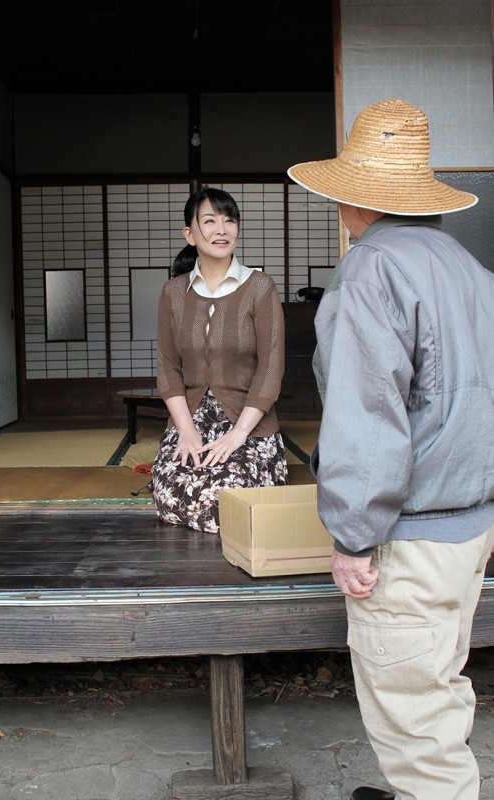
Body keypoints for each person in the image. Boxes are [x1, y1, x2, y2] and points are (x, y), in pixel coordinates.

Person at [288, 99, 494, 800]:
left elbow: (364, 417)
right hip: (469, 528)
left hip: (407, 539)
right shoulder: (470, 270)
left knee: (417, 731)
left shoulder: (370, 270)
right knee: (437, 692)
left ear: (350, 198)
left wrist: (352, 535)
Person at [152, 187, 288, 533]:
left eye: (229, 221)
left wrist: (237, 435)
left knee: (227, 500)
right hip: (190, 421)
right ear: (190, 233)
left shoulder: (260, 288)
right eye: (210, 221)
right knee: (169, 493)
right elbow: (168, 367)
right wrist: (185, 431)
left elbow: (271, 367)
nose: (221, 230)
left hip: (249, 423)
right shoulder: (173, 293)